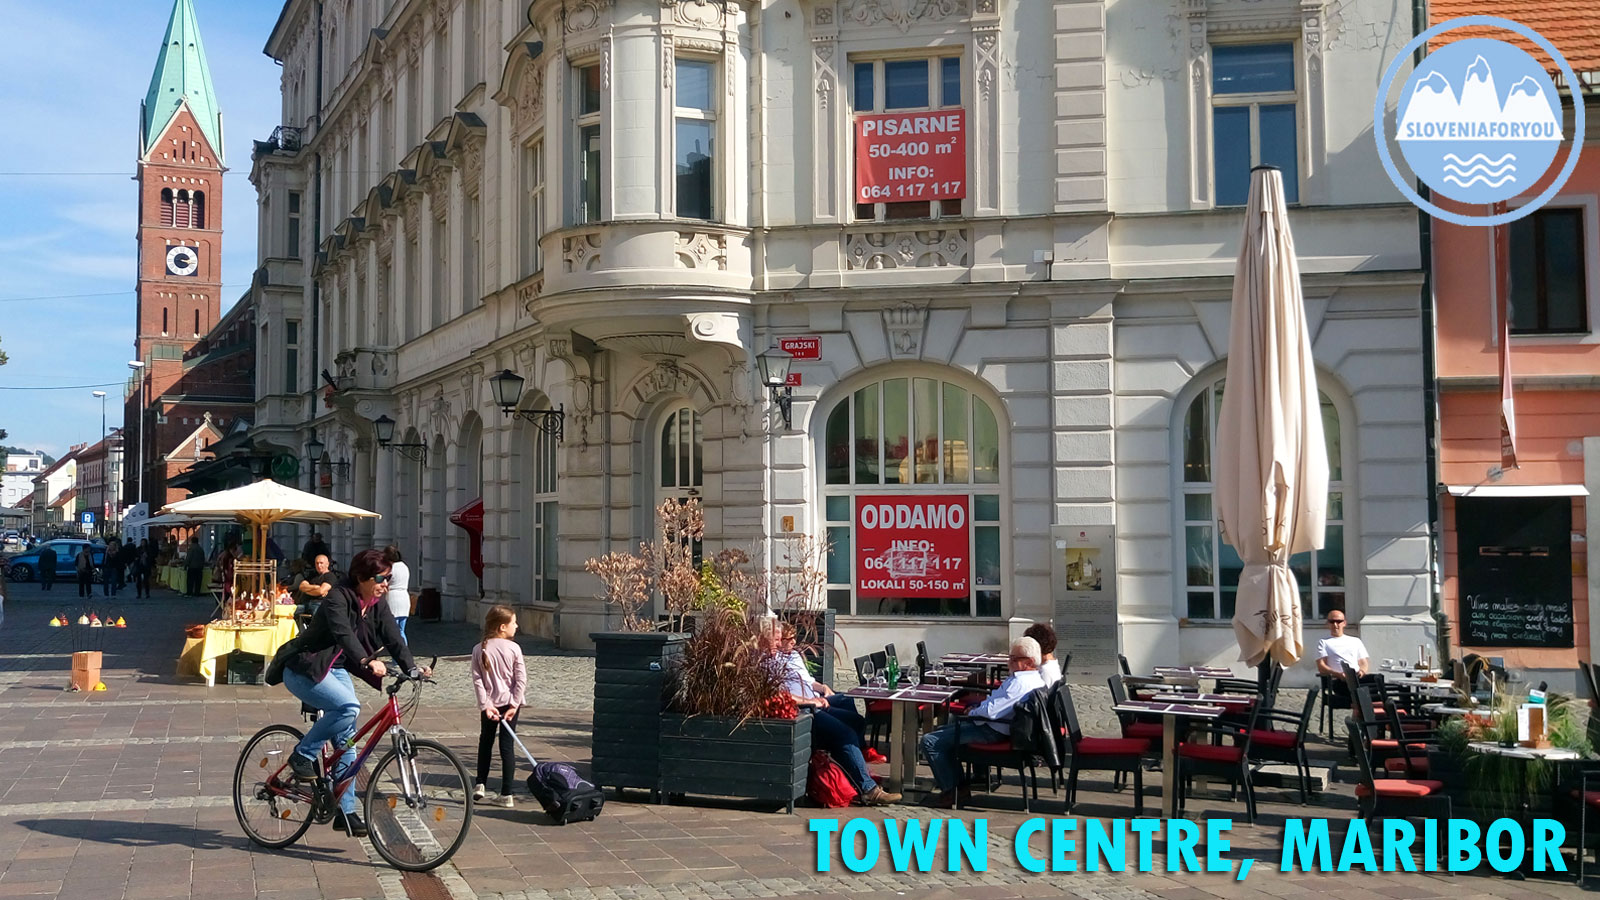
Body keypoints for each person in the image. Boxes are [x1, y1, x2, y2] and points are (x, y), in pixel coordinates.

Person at [279, 548, 425, 837]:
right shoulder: (337, 597)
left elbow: (393, 636)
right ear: (362, 577)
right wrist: (366, 660)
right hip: (305, 668)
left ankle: (345, 813)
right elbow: (343, 634)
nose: (386, 583)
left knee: (348, 743)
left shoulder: (375, 602)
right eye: (381, 578)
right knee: (349, 707)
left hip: (336, 671)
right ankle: (302, 755)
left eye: (389, 578)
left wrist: (411, 668)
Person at [768, 625, 899, 806]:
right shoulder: (767, 662)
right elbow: (779, 696)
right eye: (778, 639)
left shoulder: (791, 656)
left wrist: (823, 689)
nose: (791, 642)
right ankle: (869, 789)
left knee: (855, 718)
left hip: (813, 701)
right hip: (802, 711)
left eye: (784, 638)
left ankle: (858, 761)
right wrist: (810, 701)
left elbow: (808, 681)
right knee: (845, 735)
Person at [918, 636, 1047, 808]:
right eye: (1010, 657)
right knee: (945, 730)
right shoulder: (1032, 678)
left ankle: (952, 790)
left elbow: (992, 712)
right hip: (1002, 726)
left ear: (1029, 662)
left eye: (1014, 659)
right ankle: (959, 786)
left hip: (994, 730)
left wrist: (973, 711)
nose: (1009, 661)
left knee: (930, 741)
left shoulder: (1020, 683)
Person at [471, 605, 526, 807]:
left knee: (485, 741)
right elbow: (521, 680)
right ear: (503, 627)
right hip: (509, 703)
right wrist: (514, 703)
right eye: (514, 623)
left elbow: (478, 681)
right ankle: (507, 793)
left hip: (490, 704)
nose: (517, 626)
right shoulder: (514, 648)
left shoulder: (479, 649)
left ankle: (480, 784)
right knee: (506, 746)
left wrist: (485, 705)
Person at [1315, 609, 1369, 678]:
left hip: (1356, 678)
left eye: (1338, 621)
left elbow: (1363, 663)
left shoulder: (1355, 641)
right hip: (1337, 679)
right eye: (1332, 622)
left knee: (1378, 679)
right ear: (1327, 624)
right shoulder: (1323, 642)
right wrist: (1338, 674)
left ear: (1344, 623)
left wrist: (1362, 672)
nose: (1335, 624)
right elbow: (1321, 666)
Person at [294, 554, 337, 627]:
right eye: (317, 563)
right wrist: (315, 587)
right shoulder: (312, 575)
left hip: (319, 603)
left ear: (327, 564)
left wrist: (307, 590)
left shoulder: (330, 576)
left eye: (321, 563)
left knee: (317, 620)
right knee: (290, 612)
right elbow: (301, 586)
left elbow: (321, 591)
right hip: (305, 603)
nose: (319, 565)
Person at [382, 545, 412, 643]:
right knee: (401, 630)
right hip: (404, 597)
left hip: (393, 597)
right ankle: (404, 652)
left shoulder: (391, 568)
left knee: (393, 630)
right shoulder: (404, 566)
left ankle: (398, 655)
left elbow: (385, 581)